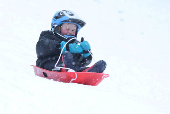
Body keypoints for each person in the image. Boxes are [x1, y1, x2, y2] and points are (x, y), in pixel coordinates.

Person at [36, 10, 106, 73]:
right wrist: (65, 47)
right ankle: (69, 70)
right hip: (49, 65)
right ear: (57, 27)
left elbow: (81, 62)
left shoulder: (74, 43)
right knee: (66, 57)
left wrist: (86, 53)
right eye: (67, 28)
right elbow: (42, 47)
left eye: (73, 30)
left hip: (73, 68)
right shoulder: (48, 36)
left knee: (77, 66)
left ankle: (89, 72)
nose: (69, 32)